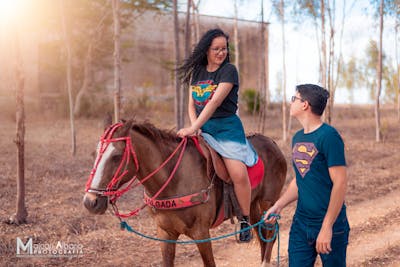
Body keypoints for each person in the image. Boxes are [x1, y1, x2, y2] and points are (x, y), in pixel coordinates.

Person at [176, 28, 258, 242]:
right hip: (202, 126)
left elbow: (214, 103)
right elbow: (191, 104)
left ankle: (245, 219)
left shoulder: (229, 71)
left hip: (226, 129)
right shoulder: (198, 72)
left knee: (238, 174)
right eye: (216, 49)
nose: (221, 53)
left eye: (224, 49)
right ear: (206, 50)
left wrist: (193, 129)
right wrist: (196, 128)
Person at [263, 84, 350, 266]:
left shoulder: (329, 137)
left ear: (305, 105)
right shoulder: (298, 137)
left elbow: (340, 183)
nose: (291, 102)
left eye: (294, 98)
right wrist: (279, 205)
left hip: (330, 224)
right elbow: (301, 179)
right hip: (301, 224)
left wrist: (327, 227)